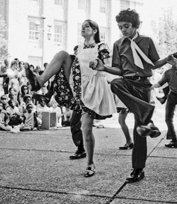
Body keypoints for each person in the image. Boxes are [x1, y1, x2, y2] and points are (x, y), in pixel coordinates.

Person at [25, 19, 116, 177]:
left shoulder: (102, 46)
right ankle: (39, 81)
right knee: (62, 55)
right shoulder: (80, 48)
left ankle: (90, 163)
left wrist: (99, 64)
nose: (83, 29)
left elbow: (107, 65)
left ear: (95, 30)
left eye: (87, 26)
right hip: (78, 84)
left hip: (93, 87)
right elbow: (74, 68)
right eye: (82, 27)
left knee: (86, 129)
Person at [94, 9, 173, 183]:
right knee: (115, 83)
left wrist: (167, 59)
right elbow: (118, 69)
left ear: (135, 26)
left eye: (126, 26)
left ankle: (138, 169)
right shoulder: (118, 44)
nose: (123, 30)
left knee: (140, 129)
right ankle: (145, 111)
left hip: (143, 85)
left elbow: (154, 64)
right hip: (127, 82)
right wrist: (104, 68)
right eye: (120, 27)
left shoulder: (147, 41)